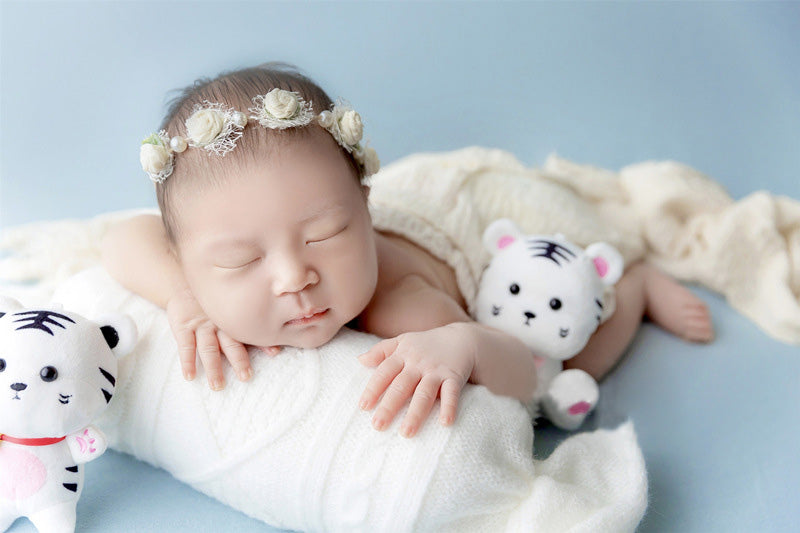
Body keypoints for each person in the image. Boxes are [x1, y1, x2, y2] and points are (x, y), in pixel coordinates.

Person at [102, 63, 713, 438]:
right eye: (240, 261)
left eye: (326, 235)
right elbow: (120, 239)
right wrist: (182, 299)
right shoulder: (199, 259)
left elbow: (523, 379)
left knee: (568, 360)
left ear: (364, 210)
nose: (294, 276)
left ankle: (635, 287)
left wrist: (464, 343)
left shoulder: (403, 308)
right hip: (397, 196)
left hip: (475, 214)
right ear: (189, 259)